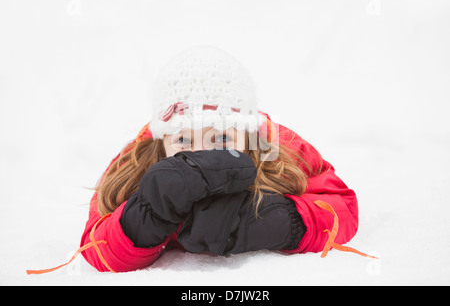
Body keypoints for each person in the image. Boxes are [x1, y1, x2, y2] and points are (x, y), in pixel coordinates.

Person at [27, 46, 374, 275]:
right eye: (183, 139)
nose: (202, 151)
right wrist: (143, 218)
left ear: (247, 134)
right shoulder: (140, 156)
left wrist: (284, 223)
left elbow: (342, 206)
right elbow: (95, 245)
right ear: (162, 139)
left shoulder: (274, 145)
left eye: (222, 137)